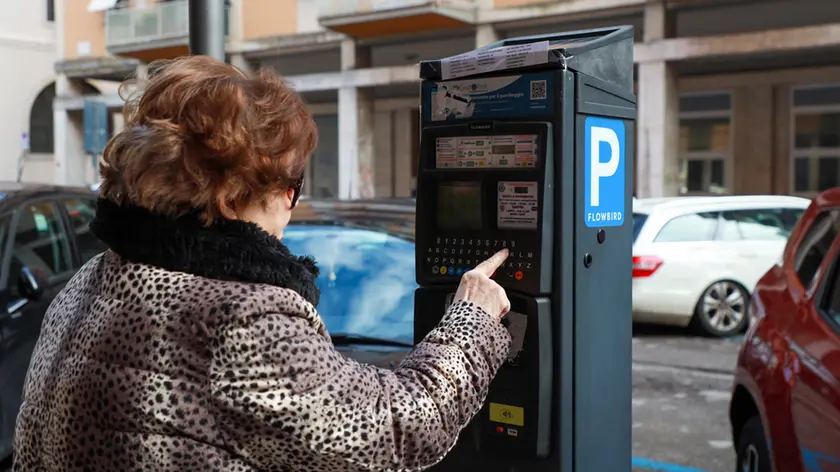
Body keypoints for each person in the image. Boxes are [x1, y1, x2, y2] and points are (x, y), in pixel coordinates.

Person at [13, 55, 512, 472]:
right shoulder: (241, 318)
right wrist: (471, 322)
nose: (293, 203)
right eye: (291, 184)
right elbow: (399, 428)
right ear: (232, 197)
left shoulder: (94, 278)